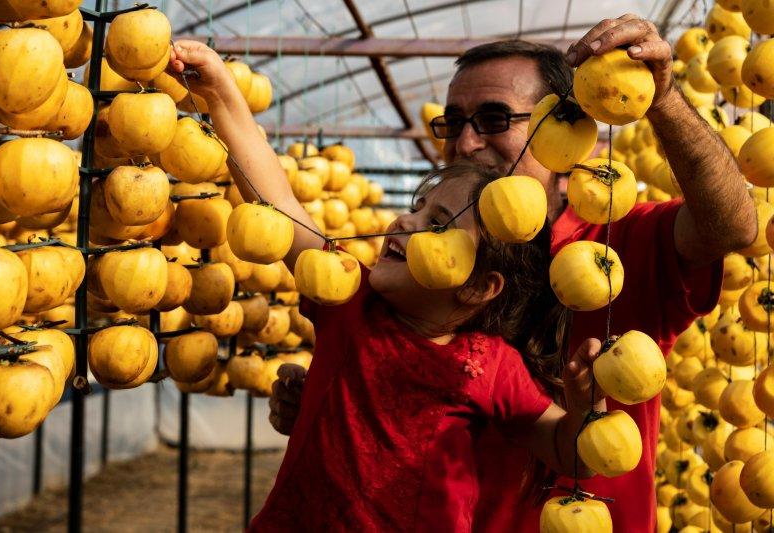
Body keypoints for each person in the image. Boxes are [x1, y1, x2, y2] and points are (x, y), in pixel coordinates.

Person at [268, 13, 757, 533]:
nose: (467, 144)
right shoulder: (428, 264)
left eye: (496, 119)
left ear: (571, 129)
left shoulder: (619, 242)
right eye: (453, 123)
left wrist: (662, 99)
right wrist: (327, 400)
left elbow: (732, 227)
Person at [170, 40, 613, 531]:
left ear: (478, 288)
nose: (405, 220)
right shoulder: (350, 303)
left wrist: (586, 402)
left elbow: (569, 454)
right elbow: (276, 203)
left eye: (437, 223)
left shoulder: (489, 366)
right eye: (418, 207)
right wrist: (221, 93)